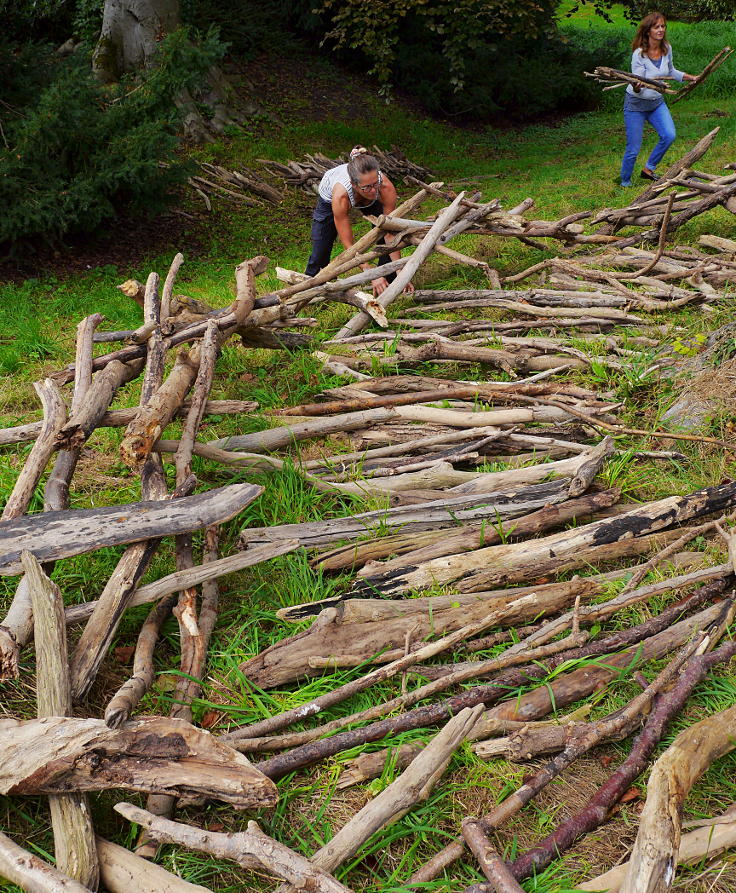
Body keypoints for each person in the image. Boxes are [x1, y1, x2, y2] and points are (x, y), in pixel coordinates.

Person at [305, 146, 413, 296]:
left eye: (376, 183)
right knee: (320, 251)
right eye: (368, 187)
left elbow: (390, 233)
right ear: (354, 185)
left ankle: (388, 276)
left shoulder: (383, 187)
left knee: (383, 235)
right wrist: (369, 273)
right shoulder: (340, 196)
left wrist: (400, 271)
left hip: (363, 194)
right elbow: (349, 244)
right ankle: (312, 291)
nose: (374, 190)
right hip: (329, 198)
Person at [620, 12, 696, 188]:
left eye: (663, 26)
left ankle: (648, 169)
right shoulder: (639, 54)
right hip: (636, 105)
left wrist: (691, 77)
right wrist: (638, 85)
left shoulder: (666, 48)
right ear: (648, 31)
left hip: (656, 103)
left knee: (669, 135)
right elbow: (636, 84)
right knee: (633, 149)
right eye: (656, 27)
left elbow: (671, 72)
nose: (661, 30)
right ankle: (625, 182)